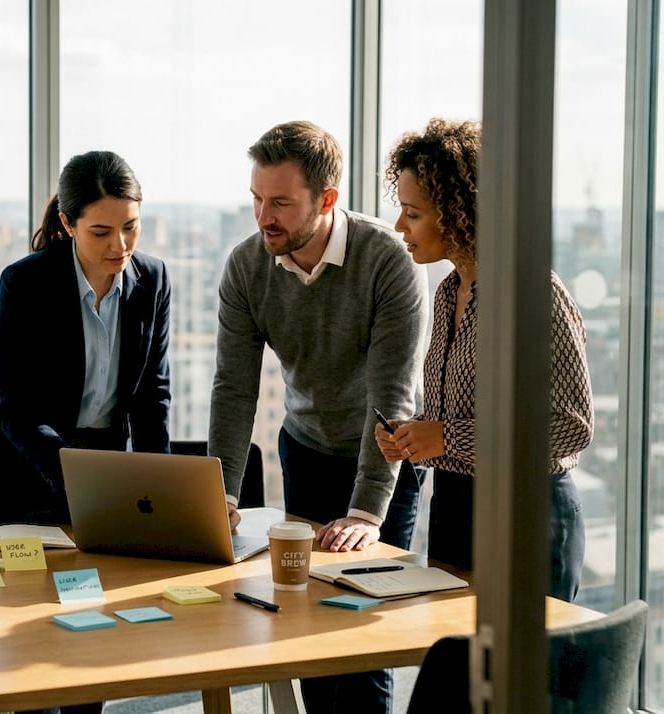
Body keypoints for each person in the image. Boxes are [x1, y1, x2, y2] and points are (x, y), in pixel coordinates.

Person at [208, 120, 429, 713]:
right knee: (305, 625)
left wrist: (365, 510)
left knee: (361, 635)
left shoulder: (387, 260)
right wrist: (220, 495)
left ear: (326, 199)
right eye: (256, 199)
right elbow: (234, 389)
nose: (263, 217)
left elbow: (392, 396)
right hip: (305, 448)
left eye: (280, 202)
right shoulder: (246, 267)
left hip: (384, 457)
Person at [377, 118, 593, 601]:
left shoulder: (533, 294)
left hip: (528, 518)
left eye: (412, 213)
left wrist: (447, 436)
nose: (399, 227)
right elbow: (457, 416)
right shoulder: (449, 292)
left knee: (525, 678)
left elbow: (570, 426)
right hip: (455, 510)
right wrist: (413, 435)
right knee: (464, 669)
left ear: (458, 212)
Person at [0, 150, 172, 529]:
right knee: (23, 590)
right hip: (19, 472)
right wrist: (77, 478)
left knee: (110, 585)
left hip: (103, 473)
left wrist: (163, 489)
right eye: (101, 232)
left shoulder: (152, 279)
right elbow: (14, 407)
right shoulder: (25, 284)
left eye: (131, 227)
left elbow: (152, 396)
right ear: (68, 223)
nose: (120, 246)